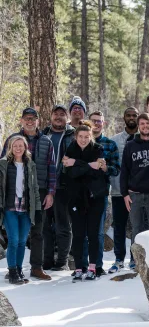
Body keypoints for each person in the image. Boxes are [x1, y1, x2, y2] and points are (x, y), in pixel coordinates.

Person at [1, 107, 56, 280]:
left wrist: (50, 193)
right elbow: (3, 168)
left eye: (33, 118)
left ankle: (36, 268)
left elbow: (52, 168)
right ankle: (13, 269)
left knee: (37, 232)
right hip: (14, 196)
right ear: (22, 120)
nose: (30, 121)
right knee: (15, 238)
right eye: (27, 118)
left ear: (38, 121)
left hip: (39, 193)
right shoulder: (12, 139)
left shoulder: (46, 141)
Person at [62, 122, 108, 281]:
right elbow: (72, 173)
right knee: (78, 234)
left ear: (91, 136)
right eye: (80, 136)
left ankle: (93, 268)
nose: (83, 139)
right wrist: (88, 166)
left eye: (87, 137)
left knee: (93, 234)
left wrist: (76, 163)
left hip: (95, 197)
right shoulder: (70, 150)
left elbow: (98, 173)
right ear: (75, 137)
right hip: (76, 198)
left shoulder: (98, 149)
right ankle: (79, 268)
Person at [0, 135, 41, 285]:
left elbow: (35, 188)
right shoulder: (4, 164)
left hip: (26, 209)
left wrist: (37, 209)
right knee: (14, 240)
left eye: (21, 146)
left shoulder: (30, 164)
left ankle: (18, 269)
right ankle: (12, 272)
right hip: (10, 208)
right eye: (15, 146)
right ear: (10, 148)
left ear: (25, 147)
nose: (18, 148)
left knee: (22, 241)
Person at [120, 113, 149, 244]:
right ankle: (135, 257)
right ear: (138, 126)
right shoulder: (130, 145)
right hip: (135, 194)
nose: (145, 126)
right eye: (142, 124)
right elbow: (125, 170)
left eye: (148, 123)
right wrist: (125, 194)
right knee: (137, 229)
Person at [41, 105, 75, 271]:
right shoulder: (43, 134)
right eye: (56, 114)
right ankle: (47, 260)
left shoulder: (72, 135)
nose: (59, 117)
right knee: (45, 226)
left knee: (63, 225)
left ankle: (62, 262)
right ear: (51, 116)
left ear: (67, 118)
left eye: (62, 114)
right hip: (45, 186)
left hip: (63, 186)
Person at [87, 111, 119, 276]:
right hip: (81, 192)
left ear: (103, 124)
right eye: (94, 121)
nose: (96, 124)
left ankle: (97, 265)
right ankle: (82, 265)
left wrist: (106, 168)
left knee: (98, 231)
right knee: (82, 231)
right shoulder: (81, 141)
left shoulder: (110, 144)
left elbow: (116, 169)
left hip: (101, 193)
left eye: (99, 121)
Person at [108, 107, 139, 273]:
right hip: (119, 191)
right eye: (129, 115)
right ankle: (119, 258)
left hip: (138, 191)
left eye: (134, 115)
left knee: (137, 226)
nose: (131, 118)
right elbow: (111, 165)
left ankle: (135, 259)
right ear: (124, 117)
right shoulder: (114, 141)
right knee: (119, 227)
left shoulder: (143, 139)